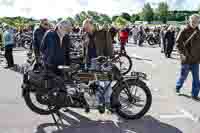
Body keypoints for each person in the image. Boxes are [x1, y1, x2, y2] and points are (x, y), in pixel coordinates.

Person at [82, 19, 113, 112]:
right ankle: (99, 103)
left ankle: (108, 104)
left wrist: (109, 58)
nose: (85, 29)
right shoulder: (85, 35)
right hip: (91, 62)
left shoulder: (102, 33)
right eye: (84, 27)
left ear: (92, 25)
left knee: (106, 82)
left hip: (102, 61)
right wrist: (85, 61)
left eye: (87, 27)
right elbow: (84, 49)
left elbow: (109, 46)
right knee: (94, 84)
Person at [176, 14, 200, 100]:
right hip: (186, 58)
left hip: (195, 59)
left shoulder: (198, 32)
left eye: (197, 22)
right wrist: (182, 54)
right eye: (193, 21)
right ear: (189, 21)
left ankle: (194, 94)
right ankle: (178, 87)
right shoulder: (184, 30)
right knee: (183, 76)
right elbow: (178, 43)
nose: (194, 23)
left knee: (196, 79)